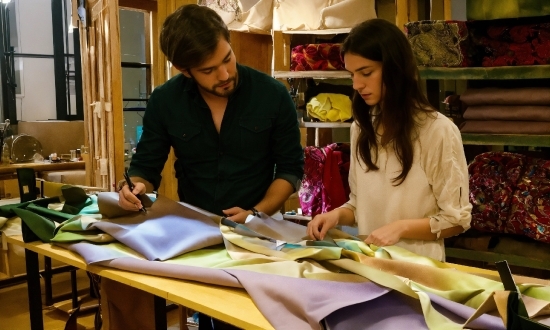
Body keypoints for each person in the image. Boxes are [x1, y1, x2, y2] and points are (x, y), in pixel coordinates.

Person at [111, 4, 304, 330]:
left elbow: (290, 171)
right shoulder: (165, 101)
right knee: (207, 320)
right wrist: (135, 188)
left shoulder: (272, 95)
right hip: (194, 239)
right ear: (183, 70)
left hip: (258, 238)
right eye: (209, 70)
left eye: (227, 59)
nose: (225, 74)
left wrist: (255, 214)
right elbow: (146, 166)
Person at [307, 19, 472, 262]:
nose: (357, 84)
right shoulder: (361, 129)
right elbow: (359, 202)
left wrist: (401, 228)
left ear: (395, 68)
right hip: (370, 267)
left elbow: (457, 220)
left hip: (419, 272)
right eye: (352, 74)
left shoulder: (438, 131)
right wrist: (336, 216)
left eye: (366, 72)